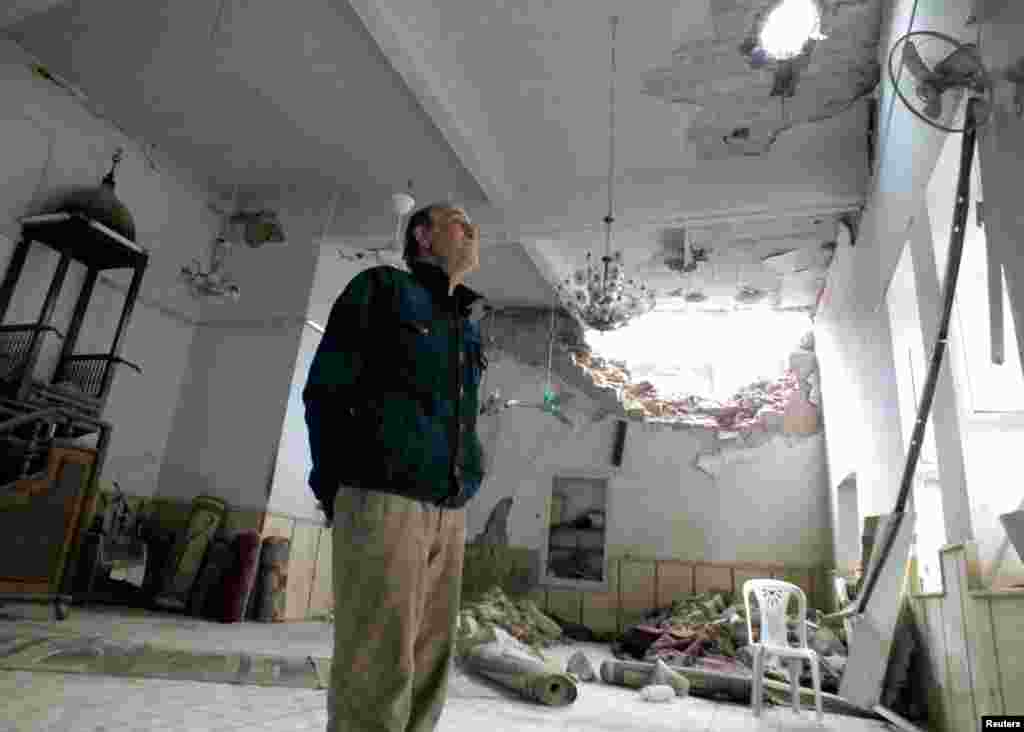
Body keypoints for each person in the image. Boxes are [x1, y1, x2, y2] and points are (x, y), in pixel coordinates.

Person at [303, 203, 489, 732]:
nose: (473, 232)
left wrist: (471, 473)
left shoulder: (466, 326)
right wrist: (335, 488)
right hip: (383, 496)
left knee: (431, 661)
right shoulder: (382, 289)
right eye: (460, 223)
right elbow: (326, 390)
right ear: (423, 235)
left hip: (449, 508)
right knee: (377, 661)